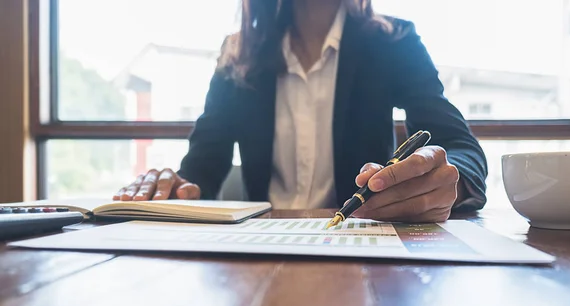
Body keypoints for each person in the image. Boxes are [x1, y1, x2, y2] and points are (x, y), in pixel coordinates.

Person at [113, 0, 488, 222]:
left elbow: (460, 147)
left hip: (363, 252)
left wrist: (443, 183)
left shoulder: (393, 42)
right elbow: (201, 170)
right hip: (259, 253)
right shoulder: (238, 55)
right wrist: (172, 187)